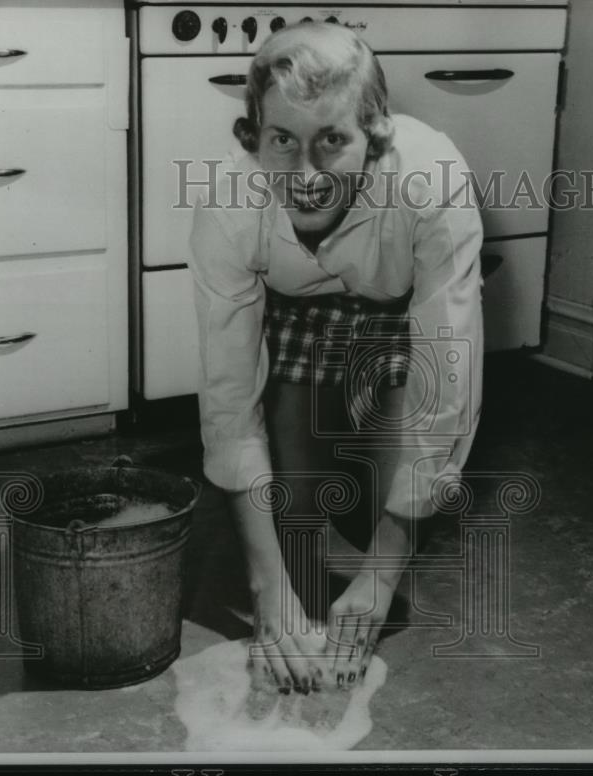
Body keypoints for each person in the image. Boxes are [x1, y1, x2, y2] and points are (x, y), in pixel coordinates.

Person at [187, 20, 484, 695]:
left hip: (393, 319)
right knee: (293, 520)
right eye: (282, 140)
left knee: (373, 508)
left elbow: (449, 378)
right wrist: (268, 591)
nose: (306, 174)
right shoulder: (226, 208)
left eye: (333, 141)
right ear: (251, 139)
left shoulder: (432, 180)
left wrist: (379, 578)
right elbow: (228, 400)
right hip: (293, 318)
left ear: (375, 135)